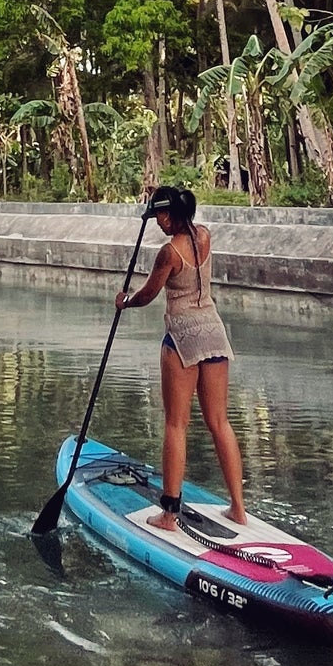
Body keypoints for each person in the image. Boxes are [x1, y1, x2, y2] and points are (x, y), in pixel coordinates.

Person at [115, 185, 247, 532]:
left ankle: (169, 516)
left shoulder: (169, 252)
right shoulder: (205, 235)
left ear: (170, 215)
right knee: (220, 421)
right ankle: (238, 508)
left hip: (183, 337)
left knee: (176, 424)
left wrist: (124, 301)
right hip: (214, 332)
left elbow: (147, 295)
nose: (157, 223)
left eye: (159, 216)